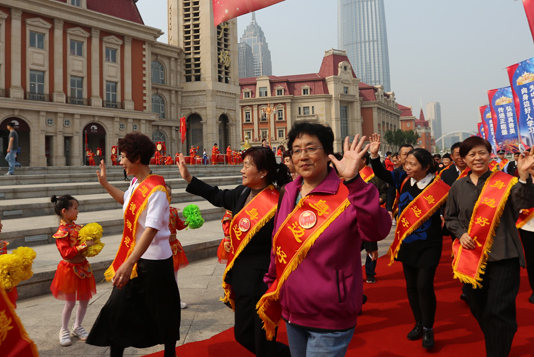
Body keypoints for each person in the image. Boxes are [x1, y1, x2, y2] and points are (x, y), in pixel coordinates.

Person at [257, 122, 391, 357]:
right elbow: (278, 243)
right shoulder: (289, 191)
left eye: (311, 148)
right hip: (292, 308)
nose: (303, 156)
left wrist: (355, 183)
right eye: (296, 150)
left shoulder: (348, 193)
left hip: (330, 312)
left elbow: (377, 231)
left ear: (328, 153)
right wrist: (272, 282)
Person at [176, 146, 291, 357]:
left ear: (263, 172)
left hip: (263, 281)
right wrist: (189, 179)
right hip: (241, 278)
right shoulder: (242, 192)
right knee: (244, 334)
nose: (242, 170)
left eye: (247, 165)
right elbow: (217, 195)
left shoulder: (279, 201)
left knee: (263, 338)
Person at [87, 133, 181, 357]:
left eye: (123, 157)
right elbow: (126, 201)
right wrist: (105, 183)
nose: (120, 162)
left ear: (137, 158)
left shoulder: (157, 190)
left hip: (154, 263)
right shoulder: (135, 183)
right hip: (135, 259)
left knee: (162, 313)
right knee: (118, 311)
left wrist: (129, 263)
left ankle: (170, 352)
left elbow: (151, 230)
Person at [445, 137, 534, 357]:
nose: (477, 158)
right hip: (471, 259)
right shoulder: (457, 186)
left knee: (498, 310)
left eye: (482, 153)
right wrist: (461, 233)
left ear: (489, 154)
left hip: (503, 255)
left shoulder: (505, 181)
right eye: (472, 154)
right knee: (477, 305)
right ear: (463, 159)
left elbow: (524, 204)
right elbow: (451, 217)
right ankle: (501, 332)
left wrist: (523, 177)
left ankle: (497, 349)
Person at [50, 194, 96, 347]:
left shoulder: (79, 228)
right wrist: (84, 246)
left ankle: (77, 326)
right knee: (70, 303)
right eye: (75, 208)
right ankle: (63, 329)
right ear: (64, 211)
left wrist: (93, 246)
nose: (77, 211)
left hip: (83, 268)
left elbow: (85, 248)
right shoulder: (62, 232)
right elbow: (66, 253)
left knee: (84, 301)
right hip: (69, 270)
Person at [369, 134, 413, 221]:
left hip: (423, 211)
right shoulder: (398, 175)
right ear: (399, 157)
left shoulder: (423, 173)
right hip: (405, 215)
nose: (408, 156)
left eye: (411, 153)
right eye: (405, 154)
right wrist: (374, 155)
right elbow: (380, 173)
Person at [166, 184, 189, 310]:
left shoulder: (174, 211)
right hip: (161, 248)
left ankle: (175, 300)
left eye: (168, 194)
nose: (166, 197)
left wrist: (189, 221)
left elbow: (179, 225)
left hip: (173, 248)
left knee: (174, 276)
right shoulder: (153, 212)